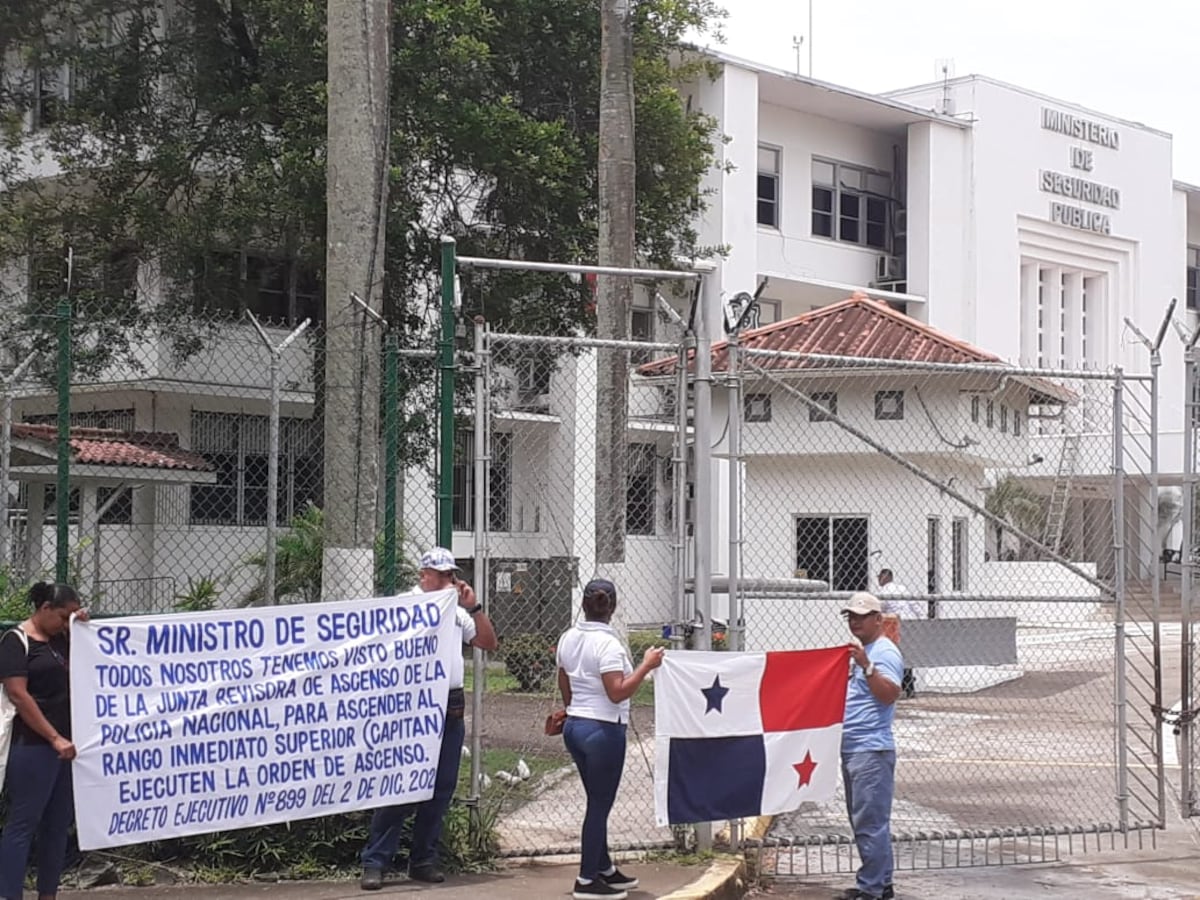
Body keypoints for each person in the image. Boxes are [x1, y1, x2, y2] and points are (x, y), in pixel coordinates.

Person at [360, 548, 497, 890]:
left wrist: (474, 607)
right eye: (442, 573)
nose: (450, 579)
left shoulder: (456, 610)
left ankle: (422, 858)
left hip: (450, 703)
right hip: (414, 703)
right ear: (424, 575)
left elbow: (487, 642)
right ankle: (376, 861)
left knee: (441, 788)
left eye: (451, 573)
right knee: (401, 785)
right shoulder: (406, 604)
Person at [554, 579, 663, 900]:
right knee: (600, 807)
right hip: (603, 730)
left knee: (596, 801)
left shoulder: (568, 637)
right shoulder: (610, 646)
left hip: (576, 726)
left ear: (583, 605)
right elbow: (617, 692)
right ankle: (586, 880)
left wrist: (573, 708)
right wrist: (646, 665)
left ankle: (603, 868)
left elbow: (564, 680)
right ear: (612, 608)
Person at [0, 582, 86, 900]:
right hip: (34, 746)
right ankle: (10, 894)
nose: (67, 623)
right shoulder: (16, 642)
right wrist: (54, 737)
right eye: (64, 617)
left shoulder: (63, 639)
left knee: (57, 824)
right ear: (45, 609)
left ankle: (48, 893)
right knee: (23, 823)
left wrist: (81, 626)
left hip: (67, 747)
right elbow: (19, 695)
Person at [838, 592, 904, 900]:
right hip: (855, 748)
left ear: (878, 619)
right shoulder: (863, 650)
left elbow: (890, 693)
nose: (855, 621)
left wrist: (866, 666)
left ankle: (872, 889)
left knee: (870, 823)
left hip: (870, 750)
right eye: (851, 616)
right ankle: (880, 883)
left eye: (862, 616)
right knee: (865, 820)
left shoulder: (882, 652)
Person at [875, 569, 918, 698]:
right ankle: (909, 687)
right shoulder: (902, 588)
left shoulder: (884, 591)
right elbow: (914, 604)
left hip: (894, 625)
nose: (878, 580)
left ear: (885, 577)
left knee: (894, 655)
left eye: (879, 577)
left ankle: (899, 685)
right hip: (909, 623)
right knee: (907, 656)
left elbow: (880, 608)